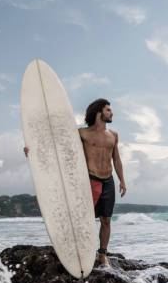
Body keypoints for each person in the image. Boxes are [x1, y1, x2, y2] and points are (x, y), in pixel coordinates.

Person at [24, 98, 127, 268]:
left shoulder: (113, 136)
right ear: (99, 112)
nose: (112, 113)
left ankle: (102, 254)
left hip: (108, 180)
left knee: (106, 220)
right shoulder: (82, 133)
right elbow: (58, 148)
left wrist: (122, 180)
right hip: (90, 180)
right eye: (108, 110)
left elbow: (116, 158)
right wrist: (32, 150)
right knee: (82, 220)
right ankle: (77, 251)